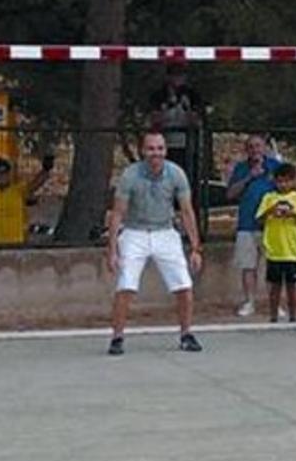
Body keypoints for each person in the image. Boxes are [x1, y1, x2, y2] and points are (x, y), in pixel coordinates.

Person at [105, 131, 203, 355]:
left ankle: (186, 334)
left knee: (184, 286)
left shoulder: (176, 173)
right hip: (134, 232)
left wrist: (196, 248)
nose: (155, 153)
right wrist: (112, 250)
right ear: (142, 151)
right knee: (126, 285)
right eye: (151, 149)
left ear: (165, 151)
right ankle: (117, 337)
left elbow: (187, 211)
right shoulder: (130, 175)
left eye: (160, 148)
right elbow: (118, 213)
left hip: (165, 232)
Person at [226, 134, 281, 316]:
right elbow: (230, 194)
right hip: (247, 224)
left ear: (264, 147)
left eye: (258, 146)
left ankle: (275, 303)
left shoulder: (275, 166)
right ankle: (249, 301)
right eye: (251, 147)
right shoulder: (241, 169)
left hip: (271, 224)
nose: (255, 150)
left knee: (273, 266)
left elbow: (288, 189)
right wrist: (249, 177)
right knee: (248, 266)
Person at [256, 163, 296, 323]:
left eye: (286, 181)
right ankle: (273, 316)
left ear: (293, 181)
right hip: (274, 249)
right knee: (274, 286)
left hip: (292, 249)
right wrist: (270, 211)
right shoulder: (269, 198)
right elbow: (259, 219)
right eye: (279, 181)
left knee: (292, 286)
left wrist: (294, 214)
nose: (283, 185)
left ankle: (294, 316)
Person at [0, 155, 54, 246]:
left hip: (17, 244)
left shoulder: (18, 190)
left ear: (9, 174)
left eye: (4, 173)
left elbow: (35, 185)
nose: (0, 176)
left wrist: (46, 170)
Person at [149, 64, 205, 171]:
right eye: (174, 75)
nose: (177, 79)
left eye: (180, 75)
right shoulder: (159, 95)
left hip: (187, 143)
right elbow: (154, 119)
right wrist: (169, 108)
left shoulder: (192, 95)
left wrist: (185, 109)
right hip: (166, 142)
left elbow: (197, 120)